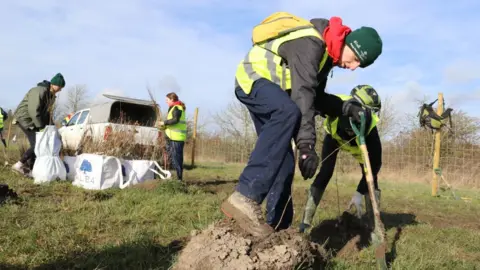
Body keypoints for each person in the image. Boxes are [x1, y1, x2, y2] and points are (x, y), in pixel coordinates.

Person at [220, 13, 383, 238]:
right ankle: (245, 196)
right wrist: (306, 146)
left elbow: (315, 99)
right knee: (288, 112)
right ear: (349, 43)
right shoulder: (312, 44)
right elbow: (302, 95)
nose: (354, 67)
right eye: (355, 58)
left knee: (284, 161)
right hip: (254, 80)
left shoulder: (327, 57)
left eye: (360, 65)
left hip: (275, 95)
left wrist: (346, 108)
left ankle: (277, 232)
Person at [299, 85, 383, 233]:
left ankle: (374, 226)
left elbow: (375, 164)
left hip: (359, 147)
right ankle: (305, 222)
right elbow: (309, 106)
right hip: (335, 139)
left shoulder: (371, 132)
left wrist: (359, 193)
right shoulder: (337, 105)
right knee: (325, 173)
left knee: (371, 178)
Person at [11, 73, 66, 176]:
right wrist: (41, 126)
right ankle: (18, 165)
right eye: (60, 86)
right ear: (53, 84)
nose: (60, 90)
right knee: (37, 144)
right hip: (25, 118)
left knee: (38, 143)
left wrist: (51, 126)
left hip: (34, 119)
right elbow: (33, 110)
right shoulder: (39, 91)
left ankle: (30, 169)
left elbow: (46, 113)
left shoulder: (51, 96)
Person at [158, 92, 187, 181]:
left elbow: (175, 120)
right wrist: (164, 126)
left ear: (172, 99)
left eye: (167, 100)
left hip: (176, 138)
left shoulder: (177, 108)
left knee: (177, 160)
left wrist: (164, 122)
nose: (166, 102)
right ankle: (172, 178)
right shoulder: (173, 108)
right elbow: (172, 123)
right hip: (171, 138)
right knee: (171, 159)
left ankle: (179, 180)